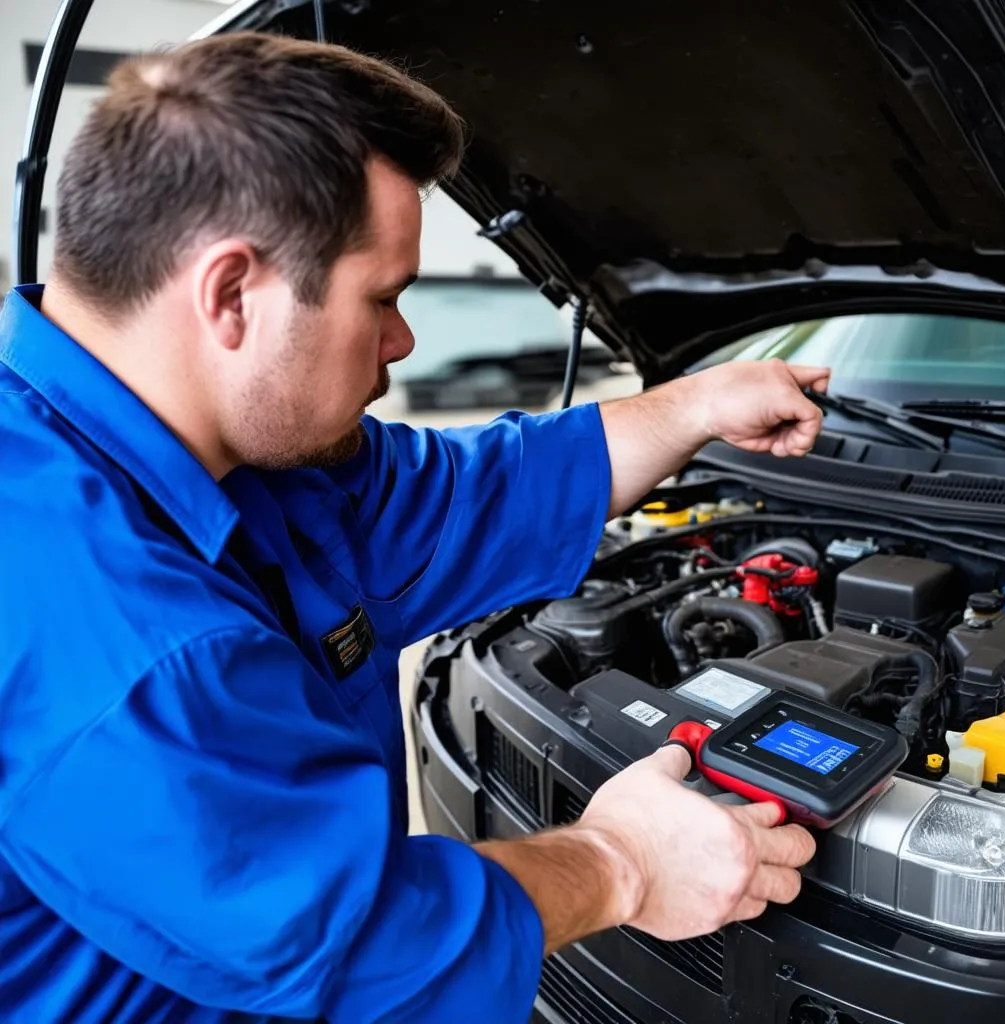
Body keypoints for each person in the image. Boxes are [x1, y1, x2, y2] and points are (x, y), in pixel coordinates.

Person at [0, 30, 827, 1024]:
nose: (403, 339)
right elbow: (359, 949)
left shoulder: (217, 456)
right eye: (381, 297)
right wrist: (620, 861)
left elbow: (461, 492)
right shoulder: (125, 639)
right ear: (229, 294)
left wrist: (693, 405)